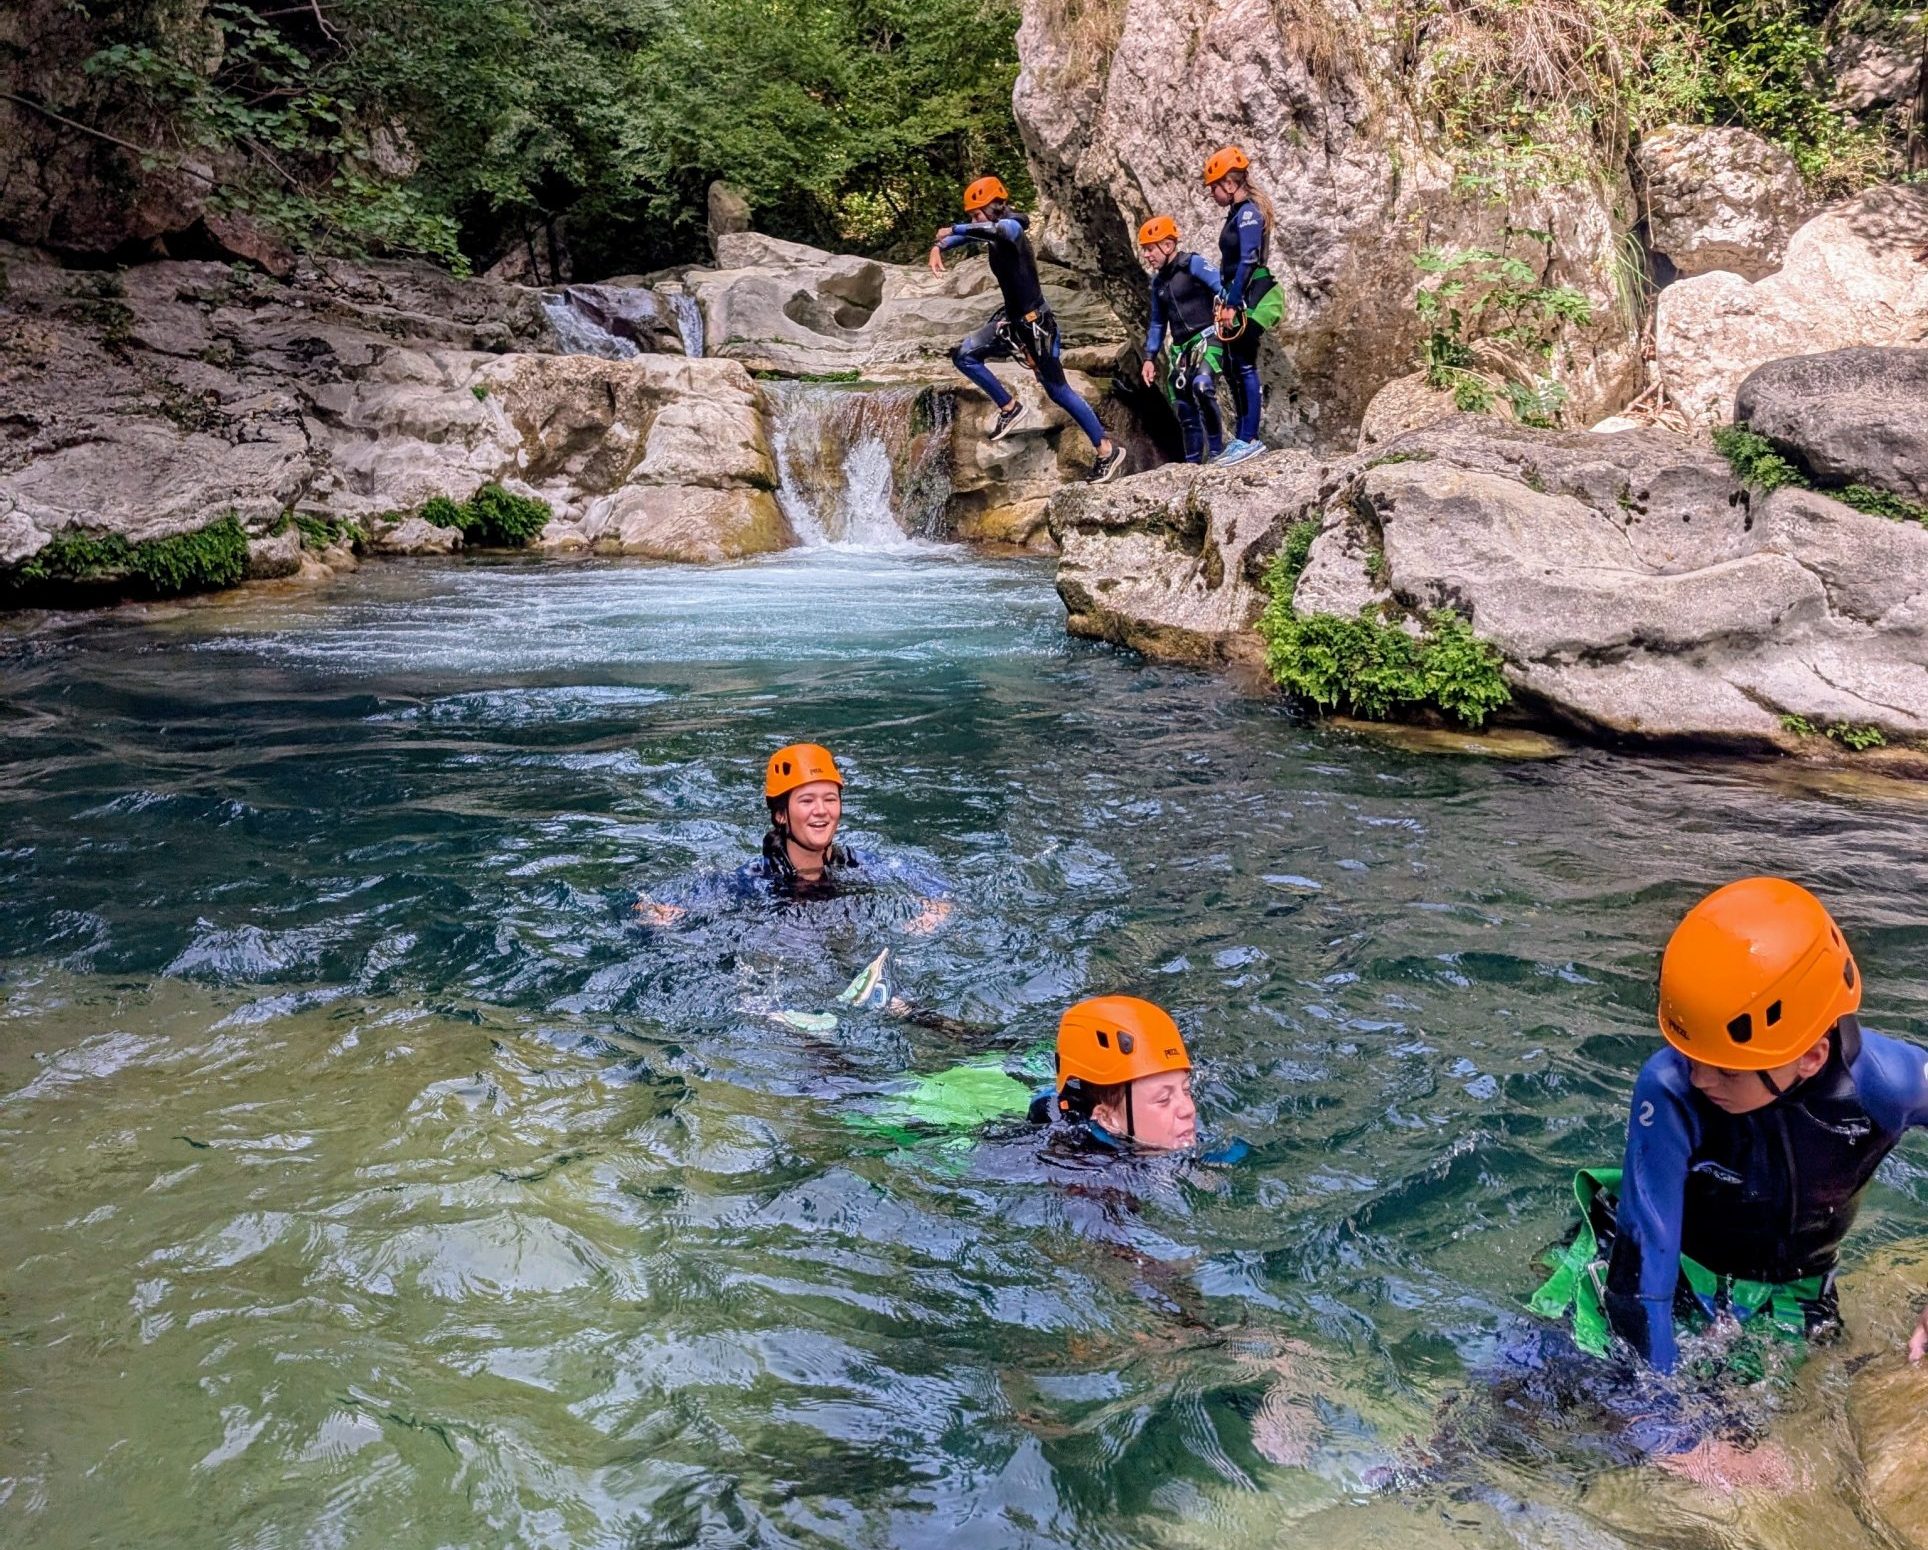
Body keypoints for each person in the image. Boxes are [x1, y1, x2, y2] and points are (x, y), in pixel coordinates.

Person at [1534, 877, 1928, 1388]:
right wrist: (1664, 1416)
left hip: (1789, 1293)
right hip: (1665, 1270)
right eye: (1691, 1055)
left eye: (1726, 1069)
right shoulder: (1669, 1090)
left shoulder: (1887, 1085)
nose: (1699, 1078)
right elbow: (1641, 1280)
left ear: (1811, 1057)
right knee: (1561, 1385)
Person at [930, 175, 1127, 484]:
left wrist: (955, 228)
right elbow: (972, 234)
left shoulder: (1011, 228)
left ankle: (1106, 450)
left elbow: (992, 230)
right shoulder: (991, 228)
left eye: (975, 213)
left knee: (1058, 390)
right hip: (1012, 322)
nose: (972, 220)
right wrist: (939, 246)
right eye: (970, 216)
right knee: (964, 355)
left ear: (993, 208)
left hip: (1037, 326)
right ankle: (1010, 407)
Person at [634, 742, 951, 932]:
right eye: (806, 800)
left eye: (830, 799)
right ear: (781, 815)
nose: (821, 811)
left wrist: (937, 907)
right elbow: (656, 905)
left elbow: (933, 885)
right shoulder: (754, 878)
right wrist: (656, 914)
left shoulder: (857, 863)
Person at [1027, 994, 1201, 1151]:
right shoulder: (1087, 1174)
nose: (1188, 1109)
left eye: (1186, 1090)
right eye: (1163, 1099)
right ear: (1108, 1119)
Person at [1203, 146, 1285, 464]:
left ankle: (1249, 438)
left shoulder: (1249, 212)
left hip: (1254, 295)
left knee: (1244, 364)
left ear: (1229, 183)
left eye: (1214, 186)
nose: (1211, 192)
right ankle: (1242, 437)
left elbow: (1249, 260)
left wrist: (1234, 303)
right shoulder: (1237, 213)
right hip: (1239, 294)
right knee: (1233, 365)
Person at [1136, 216, 1226, 465]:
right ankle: (1193, 461)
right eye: (1144, 249)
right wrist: (1149, 358)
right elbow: (1157, 323)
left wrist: (1231, 310)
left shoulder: (1193, 264)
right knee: (1182, 400)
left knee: (1202, 387)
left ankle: (1218, 452)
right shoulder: (1159, 284)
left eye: (1150, 248)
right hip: (1183, 349)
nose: (1146, 255)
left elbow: (1220, 286)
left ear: (1167, 245)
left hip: (1209, 338)